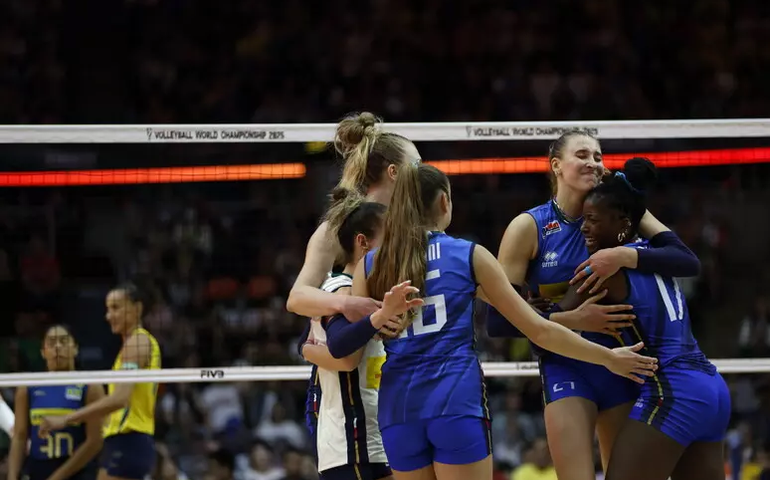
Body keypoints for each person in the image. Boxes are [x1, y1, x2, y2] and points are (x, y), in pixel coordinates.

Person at [327, 163, 658, 480]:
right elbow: (538, 329)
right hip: (455, 402)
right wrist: (609, 357)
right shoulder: (467, 254)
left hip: (397, 410)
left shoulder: (370, 264)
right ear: (444, 201)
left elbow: (349, 351)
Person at [490, 131, 701, 480]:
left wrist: (622, 255)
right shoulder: (530, 226)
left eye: (599, 157)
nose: (594, 163)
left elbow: (686, 261)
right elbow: (497, 322)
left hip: (622, 363)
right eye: (583, 154)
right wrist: (572, 318)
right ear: (556, 165)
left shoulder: (622, 213)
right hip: (567, 365)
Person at [554, 158, 729, 480]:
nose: (583, 227)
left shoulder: (602, 268)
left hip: (672, 391)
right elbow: (686, 256)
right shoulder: (659, 253)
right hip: (712, 388)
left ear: (621, 223)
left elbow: (540, 324)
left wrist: (562, 315)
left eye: (592, 219)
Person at [287, 111, 421, 322]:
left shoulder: (416, 226)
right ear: (393, 172)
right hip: (356, 346)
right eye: (416, 166)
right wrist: (349, 303)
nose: (422, 175)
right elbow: (297, 298)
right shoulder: (339, 226)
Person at [300, 199, 392, 480]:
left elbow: (305, 344)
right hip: (354, 439)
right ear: (363, 242)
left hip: (361, 436)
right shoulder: (342, 291)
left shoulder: (345, 290)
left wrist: (307, 350)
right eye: (390, 238)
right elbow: (346, 355)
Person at [40, 283, 162, 480]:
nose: (108, 316)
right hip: (121, 442)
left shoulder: (137, 343)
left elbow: (120, 399)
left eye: (116, 308)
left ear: (137, 308)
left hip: (129, 440)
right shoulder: (130, 346)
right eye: (107, 309)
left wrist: (66, 419)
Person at [8, 325, 104, 480]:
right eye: (51, 343)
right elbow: (20, 436)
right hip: (38, 470)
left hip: (78, 472)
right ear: (43, 352)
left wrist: (57, 477)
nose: (58, 347)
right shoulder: (27, 387)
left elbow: (95, 441)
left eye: (64, 341)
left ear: (75, 348)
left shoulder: (90, 386)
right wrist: (12, 477)